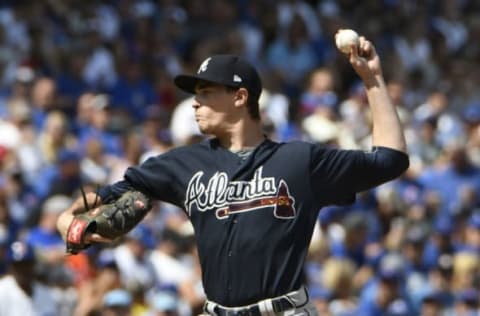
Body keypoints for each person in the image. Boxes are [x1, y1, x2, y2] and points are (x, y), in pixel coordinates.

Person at [58, 33, 409, 315]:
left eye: (207, 93)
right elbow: (117, 191)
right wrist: (68, 220)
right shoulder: (183, 164)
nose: (195, 103)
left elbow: (390, 159)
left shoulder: (299, 161)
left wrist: (372, 79)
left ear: (240, 97)